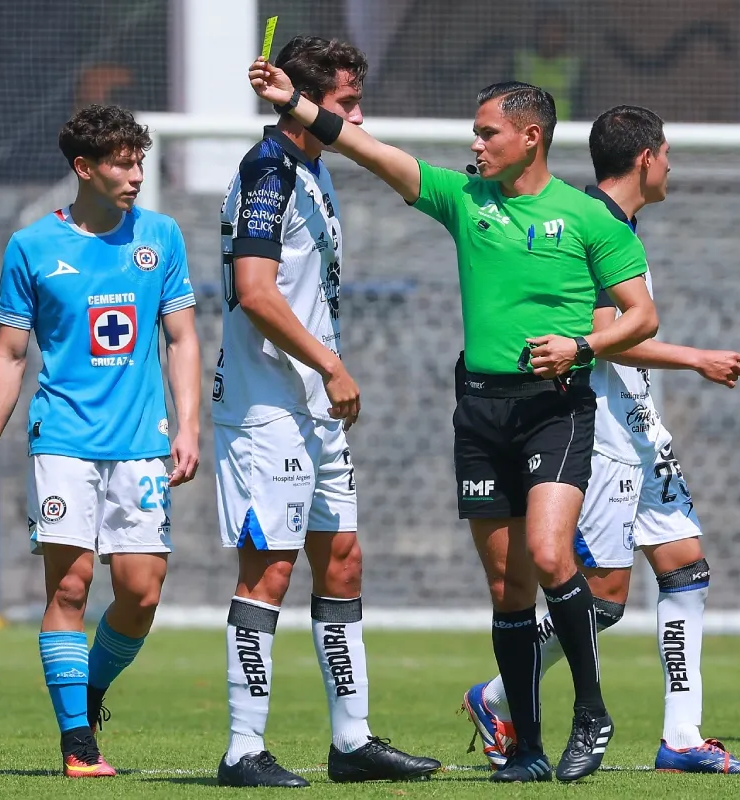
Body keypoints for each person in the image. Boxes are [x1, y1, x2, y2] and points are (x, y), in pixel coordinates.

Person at [248, 62, 659, 783]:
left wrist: (580, 346)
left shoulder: (589, 216)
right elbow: (369, 150)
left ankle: (591, 712)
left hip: (556, 408)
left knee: (550, 555)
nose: (476, 144)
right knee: (507, 587)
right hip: (480, 412)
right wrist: (296, 104)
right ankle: (525, 748)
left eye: (487, 133)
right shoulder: (466, 199)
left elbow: (642, 315)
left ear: (530, 138)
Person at [460, 105, 740, 775]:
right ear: (646, 159)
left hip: (640, 426)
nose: (671, 166)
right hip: (596, 430)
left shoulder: (620, 226)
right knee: (603, 598)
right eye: (667, 153)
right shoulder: (591, 224)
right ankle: (497, 696)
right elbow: (603, 338)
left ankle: (682, 737)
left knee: (686, 566)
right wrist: (697, 358)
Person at [214, 36, 441, 788]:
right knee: (269, 574)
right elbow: (256, 292)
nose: (358, 116)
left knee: (341, 560)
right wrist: (332, 365)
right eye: (347, 102)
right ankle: (242, 749)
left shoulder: (314, 168)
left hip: (314, 408)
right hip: (268, 408)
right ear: (304, 100)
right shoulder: (269, 169)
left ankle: (352, 741)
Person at [0, 104, 201, 778]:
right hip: (64, 439)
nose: (136, 176)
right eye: (123, 164)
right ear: (84, 168)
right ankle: (78, 741)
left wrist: (188, 425)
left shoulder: (160, 236)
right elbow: (11, 355)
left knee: (141, 591)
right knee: (70, 586)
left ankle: (86, 692)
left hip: (141, 442)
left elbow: (182, 338)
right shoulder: (32, 246)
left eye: (139, 162)